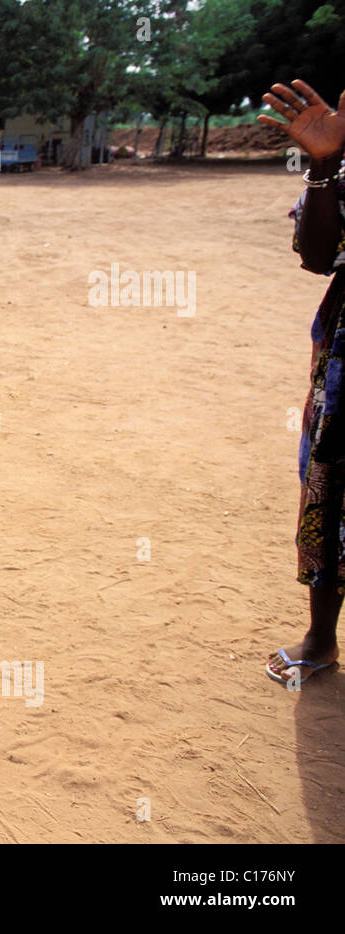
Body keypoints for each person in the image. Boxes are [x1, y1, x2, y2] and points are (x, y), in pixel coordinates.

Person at [259, 80, 345, 685]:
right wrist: (323, 166)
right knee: (330, 483)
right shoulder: (341, 165)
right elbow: (318, 255)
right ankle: (321, 637)